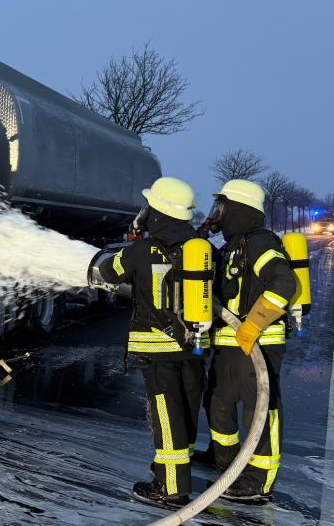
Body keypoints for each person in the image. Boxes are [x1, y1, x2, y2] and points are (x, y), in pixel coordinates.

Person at [90, 177, 214, 508]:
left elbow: (108, 272)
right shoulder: (202, 249)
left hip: (158, 352)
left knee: (165, 416)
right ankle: (174, 472)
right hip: (195, 348)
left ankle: (170, 488)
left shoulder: (141, 251)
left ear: (158, 211)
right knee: (186, 412)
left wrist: (129, 243)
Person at [197, 179, 297, 503]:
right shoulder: (232, 246)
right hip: (229, 344)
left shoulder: (260, 242)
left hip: (258, 344)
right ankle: (227, 466)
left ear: (237, 208)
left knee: (260, 412)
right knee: (218, 405)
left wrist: (253, 324)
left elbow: (284, 283)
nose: (218, 212)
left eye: (222, 206)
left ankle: (258, 482)